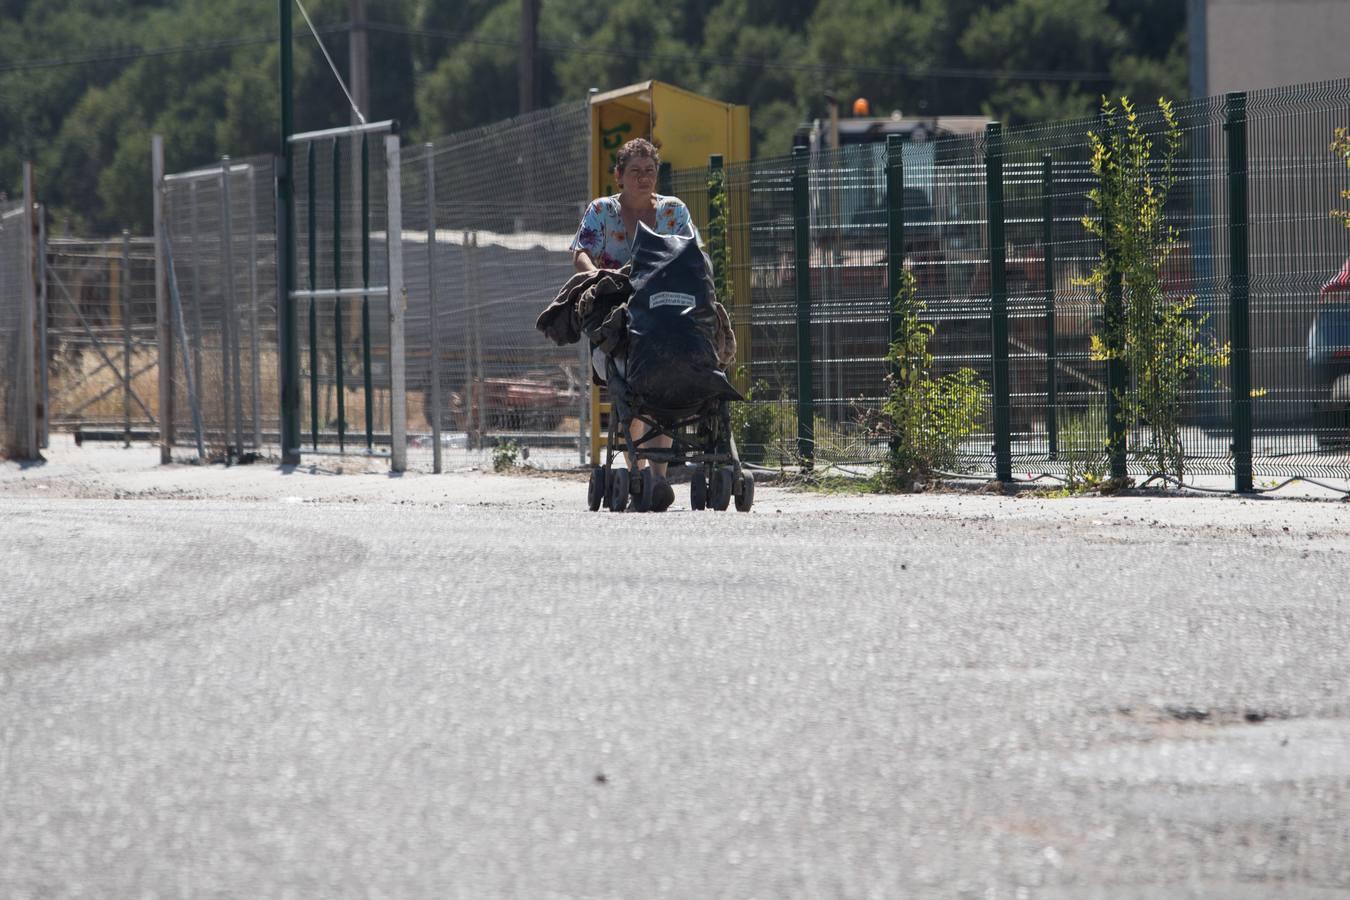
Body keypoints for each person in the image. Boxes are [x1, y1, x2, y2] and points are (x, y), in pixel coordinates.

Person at [570, 138, 698, 499]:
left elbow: (692, 253)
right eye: (635, 171)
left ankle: (658, 477)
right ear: (619, 176)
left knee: (668, 377)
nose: (643, 178)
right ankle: (635, 470)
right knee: (628, 377)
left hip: (663, 313)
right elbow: (581, 251)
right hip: (617, 316)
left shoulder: (674, 212)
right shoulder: (601, 211)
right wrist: (597, 278)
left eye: (650, 171)